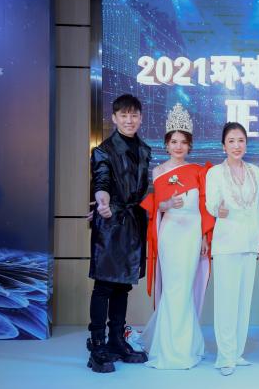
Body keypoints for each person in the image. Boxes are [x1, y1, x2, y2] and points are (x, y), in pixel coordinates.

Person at [140, 103, 215, 369]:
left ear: (189, 145)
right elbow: (155, 207)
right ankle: (170, 347)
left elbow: (204, 207)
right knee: (173, 287)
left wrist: (205, 237)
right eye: (174, 142)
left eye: (183, 142)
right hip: (170, 233)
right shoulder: (158, 171)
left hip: (192, 234)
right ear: (166, 144)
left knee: (185, 287)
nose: (179, 146)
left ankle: (185, 345)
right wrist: (166, 204)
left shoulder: (198, 171)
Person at [87, 94, 151, 373]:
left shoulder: (145, 149)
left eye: (134, 115)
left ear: (140, 118)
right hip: (111, 222)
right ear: (114, 118)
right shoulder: (103, 150)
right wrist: (101, 200)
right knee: (104, 285)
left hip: (134, 222)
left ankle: (116, 339)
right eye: (123, 115)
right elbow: (101, 180)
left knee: (123, 285)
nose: (129, 120)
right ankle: (97, 344)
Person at [205, 122, 259, 376]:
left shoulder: (255, 172)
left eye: (241, 140)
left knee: (243, 300)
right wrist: (217, 209)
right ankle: (225, 355)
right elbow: (211, 204)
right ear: (223, 146)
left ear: (246, 144)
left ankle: (236, 352)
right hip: (226, 243)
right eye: (231, 141)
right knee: (226, 301)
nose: (236, 145)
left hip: (249, 243)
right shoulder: (215, 173)